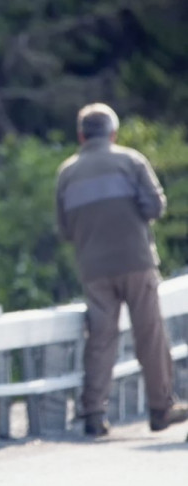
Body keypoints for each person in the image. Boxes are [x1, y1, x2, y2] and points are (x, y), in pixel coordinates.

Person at [55, 102, 188, 437]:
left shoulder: (67, 172)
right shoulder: (131, 160)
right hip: (136, 262)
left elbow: (65, 229)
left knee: (100, 339)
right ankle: (161, 408)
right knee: (150, 334)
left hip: (94, 268)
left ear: (81, 135)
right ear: (113, 133)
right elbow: (155, 206)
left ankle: (94, 415)